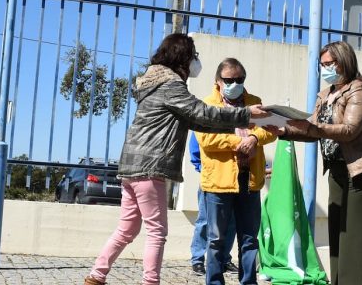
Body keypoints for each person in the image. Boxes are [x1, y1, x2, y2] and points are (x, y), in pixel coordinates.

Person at [84, 33, 269, 285]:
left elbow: (195, 121)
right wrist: (245, 115)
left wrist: (251, 128)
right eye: (193, 55)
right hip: (150, 167)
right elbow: (200, 112)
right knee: (157, 232)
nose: (195, 61)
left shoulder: (153, 83)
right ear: (182, 57)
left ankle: (96, 275)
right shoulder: (171, 85)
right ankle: (150, 282)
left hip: (130, 165)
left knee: (127, 229)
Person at [265, 41, 362, 285]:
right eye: (322, 65)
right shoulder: (325, 95)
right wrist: (283, 130)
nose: (325, 69)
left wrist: (312, 126)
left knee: (358, 239)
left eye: (329, 64)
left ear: (344, 62)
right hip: (336, 169)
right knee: (339, 236)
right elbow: (313, 132)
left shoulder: (359, 91)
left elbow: (349, 130)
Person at [196, 58, 277, 285]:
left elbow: (270, 130)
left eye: (239, 79)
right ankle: (214, 282)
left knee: (249, 239)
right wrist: (237, 143)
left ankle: (248, 281)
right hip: (218, 182)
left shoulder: (255, 102)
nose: (234, 84)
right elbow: (206, 138)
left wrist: (253, 137)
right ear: (218, 81)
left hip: (249, 180)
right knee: (216, 239)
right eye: (229, 80)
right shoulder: (208, 105)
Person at [188, 133, 237, 276]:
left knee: (231, 222)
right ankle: (198, 259)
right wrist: (201, 167)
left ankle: (223, 259)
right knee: (204, 221)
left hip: (234, 179)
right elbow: (196, 145)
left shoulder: (240, 117)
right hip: (211, 179)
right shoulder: (209, 114)